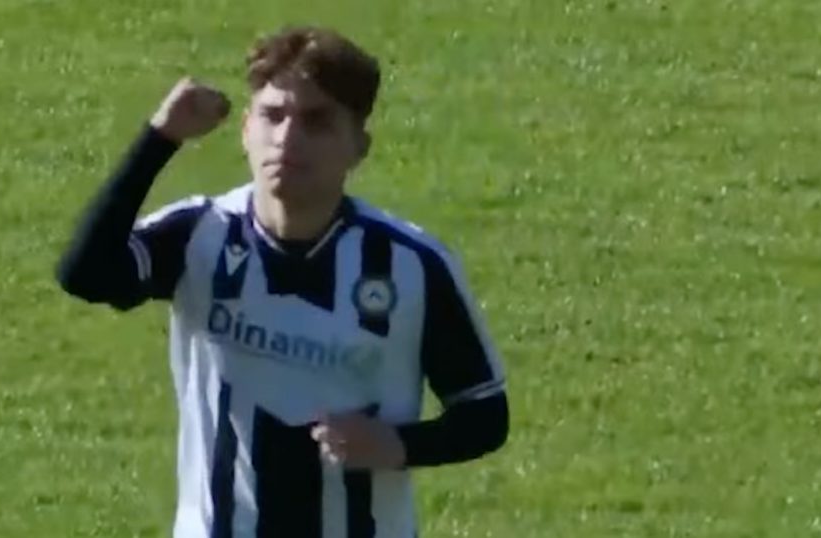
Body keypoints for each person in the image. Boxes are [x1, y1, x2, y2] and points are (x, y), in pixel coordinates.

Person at [56, 25, 509, 538]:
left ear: (358, 146)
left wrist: (397, 445)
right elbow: (85, 275)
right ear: (246, 129)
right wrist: (160, 138)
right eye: (273, 116)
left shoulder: (411, 266)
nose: (288, 138)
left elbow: (484, 415)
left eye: (317, 121)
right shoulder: (199, 234)